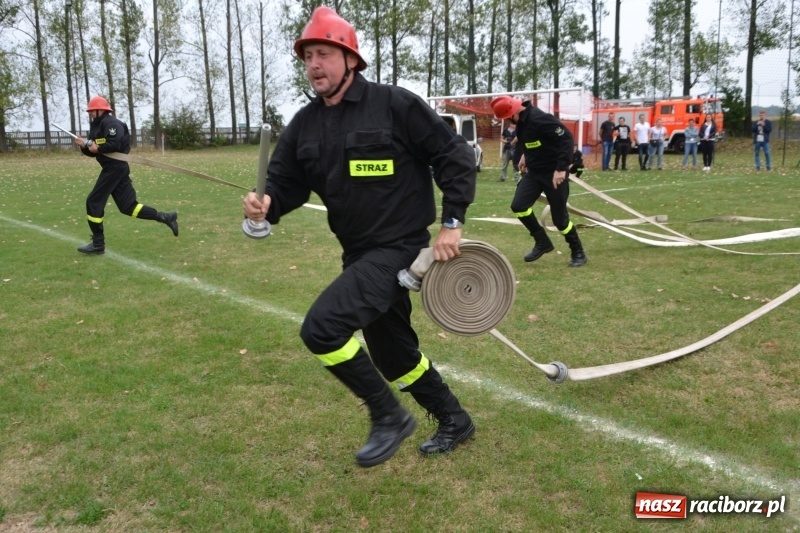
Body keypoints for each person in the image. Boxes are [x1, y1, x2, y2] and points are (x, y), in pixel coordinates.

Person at [242, 7, 477, 468]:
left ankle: (388, 416)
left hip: (401, 249)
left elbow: (453, 155)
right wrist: (266, 204)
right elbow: (285, 184)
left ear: (350, 59)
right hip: (358, 254)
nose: (314, 64)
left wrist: (452, 222)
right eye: (308, 56)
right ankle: (455, 419)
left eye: (324, 54)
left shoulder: (394, 105)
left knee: (322, 328)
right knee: (393, 355)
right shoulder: (304, 125)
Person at [490, 95, 587, 268]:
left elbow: (566, 139)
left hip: (553, 174)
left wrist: (561, 169)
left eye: (506, 119)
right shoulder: (521, 122)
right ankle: (542, 241)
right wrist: (525, 156)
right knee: (519, 206)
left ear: (512, 113)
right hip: (534, 173)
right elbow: (530, 141)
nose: (507, 122)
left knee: (560, 221)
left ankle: (578, 251)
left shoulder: (540, 119)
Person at [73, 96, 178, 254]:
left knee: (93, 202)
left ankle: (98, 244)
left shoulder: (112, 124)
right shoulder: (95, 127)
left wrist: (97, 148)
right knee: (128, 207)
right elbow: (93, 152)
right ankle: (166, 217)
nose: (90, 114)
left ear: (100, 110)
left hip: (115, 168)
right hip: (113, 169)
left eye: (92, 111)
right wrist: (84, 146)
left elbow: (113, 144)